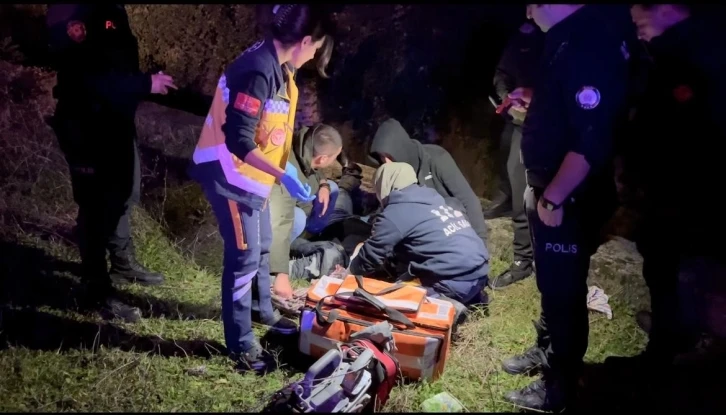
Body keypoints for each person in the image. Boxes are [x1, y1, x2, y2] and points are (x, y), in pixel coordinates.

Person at [188, 4, 335, 371]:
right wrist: (282, 175)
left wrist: (284, 168)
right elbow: (238, 140)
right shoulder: (258, 70)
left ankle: (261, 311)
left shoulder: (281, 68)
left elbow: (272, 130)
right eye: (316, 48)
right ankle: (240, 345)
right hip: (229, 175)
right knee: (243, 258)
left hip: (253, 177)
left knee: (264, 243)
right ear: (304, 41)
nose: (314, 56)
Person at [499, 4, 630, 411]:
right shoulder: (564, 39)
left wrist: (554, 196)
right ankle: (547, 349)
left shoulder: (586, 41)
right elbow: (569, 105)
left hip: (568, 196)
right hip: (551, 189)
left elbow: (592, 136)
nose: (528, 10)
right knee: (552, 284)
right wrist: (536, 99)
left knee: (565, 292)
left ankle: (561, 384)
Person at [612, 4, 726, 367]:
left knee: (676, 264)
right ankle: (670, 331)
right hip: (667, 184)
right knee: (660, 262)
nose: (635, 27)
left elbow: (687, 128)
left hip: (686, 188)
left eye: (638, 18)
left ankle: (670, 351)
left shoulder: (697, 52)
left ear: (664, 8)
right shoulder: (670, 51)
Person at [46, 4, 176, 323]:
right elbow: (85, 77)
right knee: (95, 208)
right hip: (86, 126)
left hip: (113, 122)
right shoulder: (74, 11)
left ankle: (121, 263)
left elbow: (113, 60)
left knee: (123, 195)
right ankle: (96, 292)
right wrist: (145, 84)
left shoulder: (111, 8)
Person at [348, 162, 490, 311]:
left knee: (383, 303)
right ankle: (471, 299)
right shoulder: (432, 198)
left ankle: (448, 305)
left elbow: (371, 256)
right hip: (480, 274)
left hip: (453, 282)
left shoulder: (396, 212)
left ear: (383, 185)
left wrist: (349, 273)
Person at [485, 20, 544, 289]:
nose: (530, 11)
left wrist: (536, 101)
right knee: (512, 175)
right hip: (518, 121)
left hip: (546, 127)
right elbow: (503, 71)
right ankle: (522, 257)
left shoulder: (569, 39)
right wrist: (507, 97)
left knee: (532, 189)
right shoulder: (525, 34)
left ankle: (532, 259)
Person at [369, 118, 488, 244]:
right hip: (420, 231)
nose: (387, 162)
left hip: (450, 225)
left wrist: (481, 242)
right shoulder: (393, 173)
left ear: (401, 148)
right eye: (382, 157)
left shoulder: (437, 158)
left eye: (389, 156)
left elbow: (469, 201)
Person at [268, 123, 343, 299]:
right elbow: (281, 218)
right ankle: (270, 262)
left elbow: (314, 169)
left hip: (300, 204)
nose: (335, 162)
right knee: (298, 218)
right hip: (278, 222)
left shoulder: (304, 146)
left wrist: (323, 184)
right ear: (323, 159)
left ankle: (308, 236)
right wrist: (281, 273)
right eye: (334, 157)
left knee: (332, 187)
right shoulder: (289, 171)